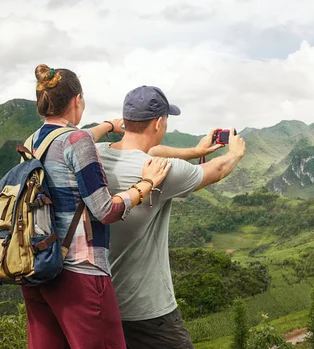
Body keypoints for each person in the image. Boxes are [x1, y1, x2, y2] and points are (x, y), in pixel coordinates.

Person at [20, 65, 172, 349]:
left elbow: (72, 138)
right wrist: (145, 185)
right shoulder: (78, 141)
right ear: (77, 100)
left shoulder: (32, 143)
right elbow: (105, 210)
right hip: (79, 271)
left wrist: (109, 126)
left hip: (37, 268)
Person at [97, 85, 246, 349]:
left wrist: (195, 150)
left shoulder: (94, 154)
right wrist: (234, 152)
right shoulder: (162, 172)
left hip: (101, 304)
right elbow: (218, 170)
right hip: (148, 310)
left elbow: (148, 150)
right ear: (158, 123)